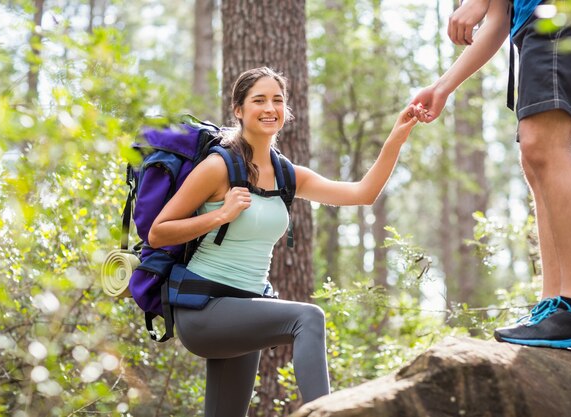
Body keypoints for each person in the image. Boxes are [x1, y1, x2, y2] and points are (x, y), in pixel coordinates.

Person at [148, 66, 420, 416]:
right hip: (202, 309)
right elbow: (159, 232)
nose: (269, 108)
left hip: (246, 307)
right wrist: (219, 215)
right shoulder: (217, 167)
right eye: (258, 100)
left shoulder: (287, 174)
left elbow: (362, 193)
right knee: (307, 318)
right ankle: (325, 414)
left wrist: (395, 138)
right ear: (238, 110)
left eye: (277, 100)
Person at [412, 0, 571, 348]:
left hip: (563, 12)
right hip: (535, 29)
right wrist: (443, 87)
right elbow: (499, 20)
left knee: (544, 148)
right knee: (535, 159)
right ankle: (556, 303)